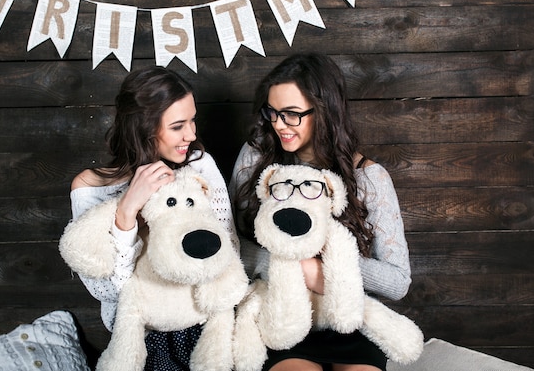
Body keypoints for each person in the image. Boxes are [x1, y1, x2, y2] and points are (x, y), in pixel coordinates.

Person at [229, 53, 411, 371]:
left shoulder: (370, 177)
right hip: (282, 316)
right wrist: (292, 266)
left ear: (326, 112)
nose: (278, 124)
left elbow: (397, 282)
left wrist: (329, 271)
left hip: (348, 318)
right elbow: (231, 248)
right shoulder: (256, 157)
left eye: (292, 114)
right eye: (271, 111)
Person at [68, 66, 237, 370]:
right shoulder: (90, 187)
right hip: (137, 335)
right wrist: (126, 213)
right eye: (178, 126)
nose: (192, 134)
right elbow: (106, 291)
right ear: (143, 128)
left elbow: (226, 253)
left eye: (192, 120)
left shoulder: (199, 167)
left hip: (205, 322)